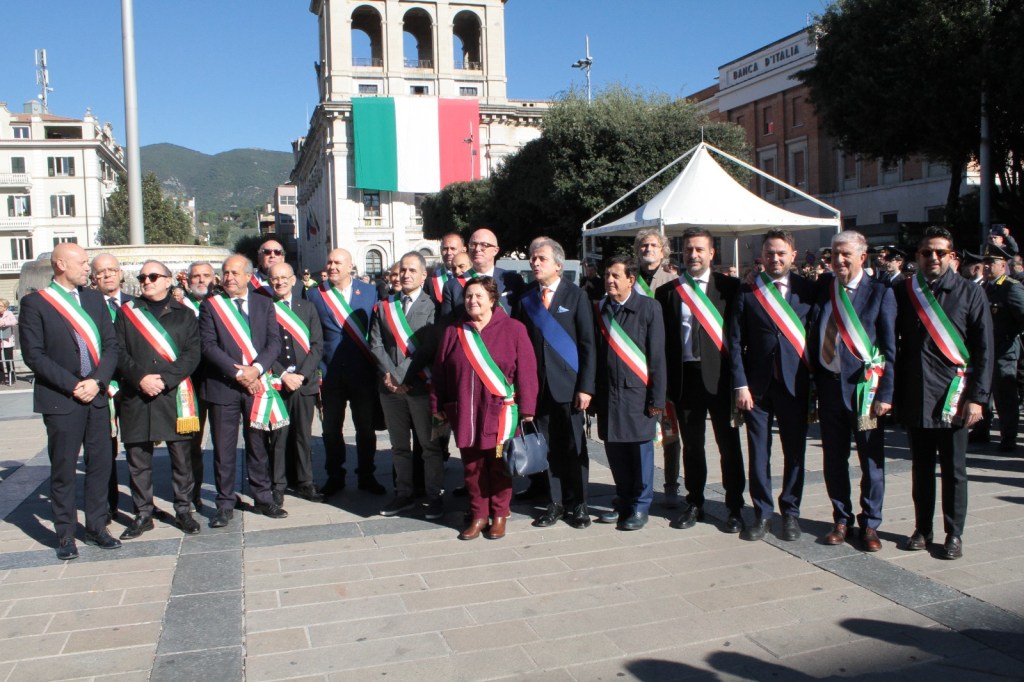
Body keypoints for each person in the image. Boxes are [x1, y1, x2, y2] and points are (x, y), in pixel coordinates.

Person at [894, 226, 993, 560]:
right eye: (926, 252)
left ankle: (954, 534)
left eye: (939, 252)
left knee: (954, 471)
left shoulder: (969, 293)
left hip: (955, 397)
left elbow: (984, 350)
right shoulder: (905, 291)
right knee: (920, 469)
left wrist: (978, 397)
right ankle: (923, 529)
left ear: (953, 256)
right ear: (918, 257)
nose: (932, 258)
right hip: (917, 396)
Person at [19, 243, 122, 559]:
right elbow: (34, 355)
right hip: (62, 399)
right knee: (63, 468)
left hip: (96, 398)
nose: (87, 268)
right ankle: (65, 534)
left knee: (100, 464)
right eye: (82, 263)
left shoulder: (93, 299)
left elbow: (111, 346)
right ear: (61, 264)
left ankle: (96, 527)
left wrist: (97, 382)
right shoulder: (36, 304)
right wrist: (76, 385)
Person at [432, 277, 538, 540]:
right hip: (466, 413)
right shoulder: (454, 332)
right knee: (472, 467)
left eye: (479, 296)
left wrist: (527, 408)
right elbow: (440, 373)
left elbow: (527, 372)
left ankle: (500, 514)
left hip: (500, 414)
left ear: (493, 300)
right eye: (468, 296)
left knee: (500, 464)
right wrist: (438, 405)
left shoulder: (514, 329)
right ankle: (479, 515)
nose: (472, 301)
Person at [655, 228, 745, 534]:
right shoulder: (668, 292)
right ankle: (694, 502)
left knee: (728, 446)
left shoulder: (730, 288)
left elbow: (738, 337)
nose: (693, 255)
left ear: (711, 254)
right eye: (689, 249)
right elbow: (665, 343)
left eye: (699, 250)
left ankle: (734, 507)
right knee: (692, 446)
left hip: (720, 379)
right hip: (685, 378)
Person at [811, 231, 896, 552]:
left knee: (871, 460)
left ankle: (871, 523)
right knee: (834, 458)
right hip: (829, 390)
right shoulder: (823, 289)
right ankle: (841, 518)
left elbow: (888, 347)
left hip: (866, 393)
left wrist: (885, 394)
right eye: (834, 254)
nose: (839, 260)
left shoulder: (879, 293)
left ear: (863, 257)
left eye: (846, 254)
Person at [730, 230, 816, 542]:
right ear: (761, 257)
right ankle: (762, 513)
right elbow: (735, 341)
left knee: (795, 452)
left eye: (781, 253)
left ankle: (790, 513)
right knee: (758, 453)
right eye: (769, 253)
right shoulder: (749, 291)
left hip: (795, 384)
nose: (775, 258)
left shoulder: (809, 290)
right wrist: (740, 385)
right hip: (757, 388)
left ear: (793, 255)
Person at [199, 254, 289, 528]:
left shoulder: (264, 303)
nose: (228, 278)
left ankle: (262, 497)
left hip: (257, 386)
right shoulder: (211, 306)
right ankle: (225, 503)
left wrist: (257, 369)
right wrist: (240, 372)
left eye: (235, 273)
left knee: (258, 445)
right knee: (224, 449)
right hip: (223, 386)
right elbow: (208, 346)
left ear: (249, 276)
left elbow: (274, 342)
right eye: (225, 273)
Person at [114, 260, 202, 539]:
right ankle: (143, 513)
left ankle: (184, 509)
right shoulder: (127, 313)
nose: (147, 281)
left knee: (181, 457)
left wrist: (163, 380)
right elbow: (117, 351)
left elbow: (192, 354)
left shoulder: (185, 314)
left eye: (153, 276)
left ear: (167, 281)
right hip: (136, 394)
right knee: (138, 459)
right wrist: (141, 378)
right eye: (142, 277)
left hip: (172, 395)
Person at [516, 237, 596, 529]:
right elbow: (520, 347)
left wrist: (586, 386)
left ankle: (579, 504)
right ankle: (556, 503)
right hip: (538, 389)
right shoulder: (525, 299)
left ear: (558, 264)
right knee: (547, 448)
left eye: (541, 259)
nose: (535, 263)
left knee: (574, 447)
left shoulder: (576, 296)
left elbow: (588, 344)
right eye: (533, 259)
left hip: (571, 388)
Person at [592, 256, 667, 531]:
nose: (609, 280)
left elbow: (657, 357)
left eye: (615, 276)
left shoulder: (649, 308)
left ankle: (641, 505)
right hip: (609, 395)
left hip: (638, 396)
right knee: (616, 454)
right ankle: (623, 500)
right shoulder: (600, 309)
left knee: (640, 454)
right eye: (607, 275)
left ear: (631, 280)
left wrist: (657, 400)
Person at [370, 252, 445, 519]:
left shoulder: (434, 306)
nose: (406, 275)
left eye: (412, 270)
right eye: (402, 270)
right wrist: (391, 376)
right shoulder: (384, 306)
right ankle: (403, 494)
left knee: (429, 446)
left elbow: (428, 348)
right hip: (390, 389)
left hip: (421, 386)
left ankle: (435, 496)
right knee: (399, 446)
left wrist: (401, 375)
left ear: (424, 276)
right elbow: (375, 344)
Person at [306, 248, 385, 497]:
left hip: (362, 372)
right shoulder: (314, 294)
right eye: (329, 262)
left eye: (338, 262)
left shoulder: (370, 292)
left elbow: (376, 332)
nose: (332, 266)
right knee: (330, 430)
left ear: (350, 266)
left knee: (365, 428)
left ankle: (366, 475)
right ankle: (335, 476)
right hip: (330, 374)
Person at [632, 229, 683, 507]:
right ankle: (639, 485)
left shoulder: (674, 282)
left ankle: (671, 484)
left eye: (653, 245)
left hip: (664, 367)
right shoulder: (630, 279)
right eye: (643, 245)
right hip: (634, 366)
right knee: (638, 430)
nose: (647, 249)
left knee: (670, 431)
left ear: (663, 251)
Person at [268, 262, 325, 504]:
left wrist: (301, 375)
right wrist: (283, 375)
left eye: (284, 277)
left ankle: (305, 482)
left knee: (303, 435)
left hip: (304, 382)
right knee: (279, 436)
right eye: (274, 279)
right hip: (277, 383)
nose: (279, 282)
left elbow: (317, 345)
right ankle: (278, 484)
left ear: (294, 280)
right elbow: (262, 348)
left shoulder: (308, 308)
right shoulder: (264, 309)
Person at [969, 244, 1024, 452]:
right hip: (985, 350)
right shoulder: (984, 286)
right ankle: (981, 429)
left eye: (992, 263)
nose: (987, 266)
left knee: (1005, 396)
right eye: (986, 262)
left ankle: (1008, 436)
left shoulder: (1011, 287)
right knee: (983, 391)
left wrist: (1012, 335)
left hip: (1003, 350)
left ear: (1003, 265)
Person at [91, 253, 134, 521]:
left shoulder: (135, 304)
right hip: (102, 387)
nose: (107, 275)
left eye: (111, 270)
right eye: (100, 272)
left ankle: (142, 504)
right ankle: (109, 505)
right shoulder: (86, 306)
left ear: (120, 274)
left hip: (132, 386)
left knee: (138, 448)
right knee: (104, 449)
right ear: (93, 278)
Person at [183, 261, 215, 510]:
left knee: (225, 442)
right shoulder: (178, 308)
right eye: (196, 276)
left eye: (206, 276)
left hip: (218, 381)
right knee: (191, 442)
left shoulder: (221, 305)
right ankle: (191, 493)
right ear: (187, 280)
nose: (201, 280)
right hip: (188, 385)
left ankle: (224, 492)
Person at [440, 227, 525, 318]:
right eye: (473, 244)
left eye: (484, 245)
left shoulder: (512, 280)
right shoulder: (453, 286)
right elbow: (447, 325)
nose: (477, 249)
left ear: (495, 250)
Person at [429, 233, 466, 302]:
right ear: (440, 250)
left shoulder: (474, 276)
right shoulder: (431, 281)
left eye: (453, 249)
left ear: (464, 250)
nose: (449, 253)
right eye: (445, 249)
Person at [0, 298, 16, 384]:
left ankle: (11, 377)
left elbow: (14, 322)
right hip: (0, 341)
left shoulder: (9, 313)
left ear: (5, 307)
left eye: (1, 306)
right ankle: (1, 378)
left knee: (8, 359)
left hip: (7, 340)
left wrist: (4, 323)